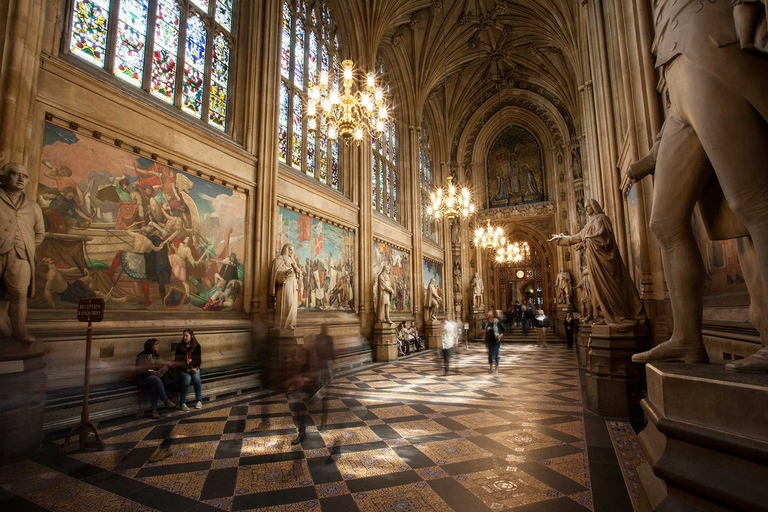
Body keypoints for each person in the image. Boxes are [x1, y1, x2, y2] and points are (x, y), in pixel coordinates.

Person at [0, 163, 45, 343]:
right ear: (4, 176)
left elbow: (40, 233)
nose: (20, 179)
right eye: (15, 174)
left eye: (24, 176)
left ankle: (19, 331)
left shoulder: (33, 206)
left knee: (19, 294)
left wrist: (26, 247)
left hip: (20, 256)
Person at [135, 338, 176, 419]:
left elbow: (159, 364)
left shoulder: (155, 355)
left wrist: (167, 365)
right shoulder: (141, 356)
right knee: (156, 380)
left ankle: (154, 410)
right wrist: (151, 371)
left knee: (155, 383)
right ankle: (165, 400)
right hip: (143, 378)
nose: (158, 346)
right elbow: (141, 370)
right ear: (151, 346)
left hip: (153, 378)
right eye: (156, 344)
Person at [174, 329, 202, 411]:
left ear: (191, 336)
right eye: (184, 336)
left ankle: (199, 401)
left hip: (194, 368)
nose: (185, 337)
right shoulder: (180, 347)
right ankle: (182, 402)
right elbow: (177, 361)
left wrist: (196, 368)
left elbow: (198, 360)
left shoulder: (197, 346)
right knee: (187, 379)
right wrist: (185, 369)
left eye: (186, 336)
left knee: (196, 378)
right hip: (183, 369)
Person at [482, 310, 503, 374]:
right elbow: (483, 330)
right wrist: (483, 334)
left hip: (496, 340)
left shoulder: (497, 322)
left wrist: (499, 337)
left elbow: (502, 331)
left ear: (492, 315)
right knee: (490, 354)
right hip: (488, 340)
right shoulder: (486, 323)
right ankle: (491, 368)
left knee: (496, 354)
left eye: (490, 312)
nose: (488, 313)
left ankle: (496, 368)